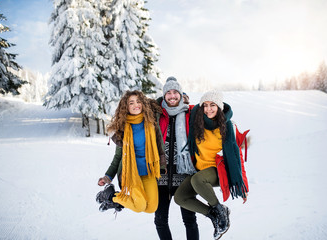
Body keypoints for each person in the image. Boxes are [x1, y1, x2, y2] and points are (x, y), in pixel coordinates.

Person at [174, 90, 249, 240]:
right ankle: (214, 215)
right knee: (180, 197)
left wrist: (243, 185)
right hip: (200, 170)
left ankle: (219, 210)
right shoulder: (197, 121)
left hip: (217, 170)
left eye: (212, 105)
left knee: (197, 180)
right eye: (205, 105)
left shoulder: (228, 126)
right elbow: (178, 106)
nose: (208, 109)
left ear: (219, 107)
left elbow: (236, 157)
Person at [96, 90, 165, 213]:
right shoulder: (122, 129)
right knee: (139, 206)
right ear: (126, 107)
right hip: (131, 174)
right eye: (131, 103)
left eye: (138, 101)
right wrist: (108, 177)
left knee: (151, 208)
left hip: (148, 171)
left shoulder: (151, 124)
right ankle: (110, 196)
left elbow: (160, 148)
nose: (135, 105)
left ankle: (112, 199)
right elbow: (118, 157)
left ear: (143, 103)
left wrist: (162, 166)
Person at [155, 77, 199, 240]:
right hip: (161, 176)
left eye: (175, 92)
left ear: (181, 95)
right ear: (164, 95)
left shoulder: (190, 113)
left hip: (184, 175)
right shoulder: (157, 114)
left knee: (189, 220)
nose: (172, 96)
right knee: (160, 220)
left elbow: (211, 119)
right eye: (168, 92)